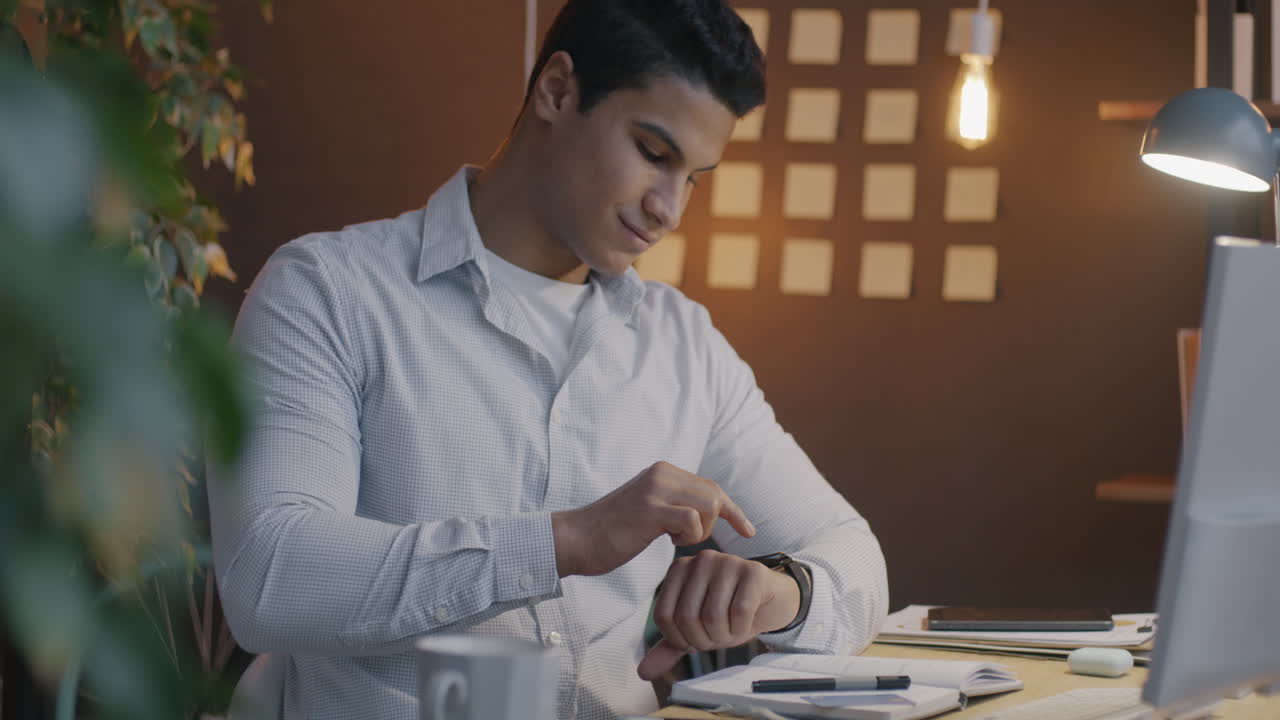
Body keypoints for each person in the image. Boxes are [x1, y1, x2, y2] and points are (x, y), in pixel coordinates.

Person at [208, 0, 889, 718]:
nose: (670, 209)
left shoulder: (684, 348)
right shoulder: (329, 292)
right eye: (654, 154)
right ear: (557, 90)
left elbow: (850, 550)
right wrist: (565, 541)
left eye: (694, 176)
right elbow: (272, 579)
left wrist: (781, 591)